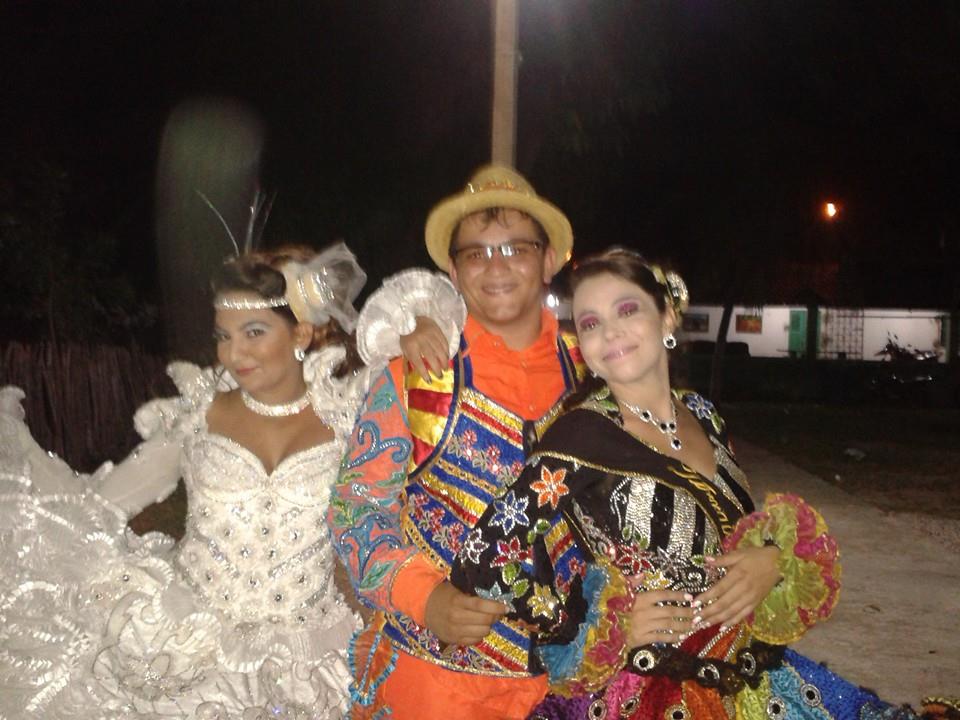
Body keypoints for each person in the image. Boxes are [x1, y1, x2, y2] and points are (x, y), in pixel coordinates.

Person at [449, 247, 955, 720]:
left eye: (627, 310)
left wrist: (770, 558)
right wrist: (587, 625)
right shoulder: (581, 435)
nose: (610, 332)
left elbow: (731, 529)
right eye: (590, 323)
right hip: (649, 688)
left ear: (667, 316)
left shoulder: (703, 415)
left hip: (749, 671)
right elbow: (483, 555)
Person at [0, 242, 464, 719]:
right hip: (186, 648)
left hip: (309, 661)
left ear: (301, 332)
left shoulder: (352, 417)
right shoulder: (197, 417)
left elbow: (435, 315)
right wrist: (30, 514)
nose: (233, 352)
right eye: (224, 335)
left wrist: (420, 325)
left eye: (253, 332)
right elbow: (98, 505)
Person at [328, 165, 588, 718]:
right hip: (434, 683)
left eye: (516, 248)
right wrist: (425, 597)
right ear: (452, 270)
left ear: (549, 260)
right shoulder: (419, 377)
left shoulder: (593, 375)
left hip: (572, 685)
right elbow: (355, 511)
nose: (496, 266)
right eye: (476, 253)